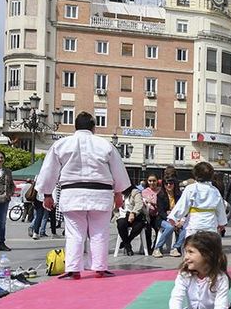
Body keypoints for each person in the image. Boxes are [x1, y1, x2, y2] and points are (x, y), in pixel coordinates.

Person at [36, 113, 130, 279]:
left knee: (74, 233)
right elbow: (118, 171)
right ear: (93, 127)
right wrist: (118, 193)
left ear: (75, 126)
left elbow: (49, 171)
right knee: (99, 232)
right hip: (100, 194)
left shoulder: (62, 144)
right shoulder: (105, 144)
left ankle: (73, 269)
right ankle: (100, 267)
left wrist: (47, 194)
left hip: (72, 194)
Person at [161, 231, 231, 309]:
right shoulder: (185, 274)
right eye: (185, 252)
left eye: (190, 252)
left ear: (207, 255)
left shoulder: (220, 278)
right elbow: (176, 298)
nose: (186, 257)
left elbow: (221, 308)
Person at [168, 162, 227, 238]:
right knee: (208, 245)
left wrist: (173, 217)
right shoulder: (215, 190)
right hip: (210, 225)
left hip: (194, 224)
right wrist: (222, 223)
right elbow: (220, 208)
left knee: (193, 244)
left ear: (195, 174)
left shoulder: (191, 188)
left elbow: (183, 205)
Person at [152, 179, 186, 258]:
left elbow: (183, 209)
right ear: (163, 185)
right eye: (166, 183)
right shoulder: (160, 195)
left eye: (171, 183)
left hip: (177, 218)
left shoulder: (179, 195)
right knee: (170, 227)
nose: (168, 185)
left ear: (174, 184)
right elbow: (161, 211)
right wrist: (170, 219)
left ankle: (175, 248)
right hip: (163, 219)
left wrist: (181, 220)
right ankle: (157, 248)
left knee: (186, 228)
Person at [115, 186, 147, 256]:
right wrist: (117, 215)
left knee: (139, 225)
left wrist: (133, 213)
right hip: (122, 216)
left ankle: (126, 242)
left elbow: (139, 204)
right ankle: (128, 247)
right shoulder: (117, 193)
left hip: (135, 215)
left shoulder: (135, 192)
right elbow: (114, 207)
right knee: (121, 224)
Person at [141, 174, 162, 254]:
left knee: (159, 229)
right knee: (147, 229)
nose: (152, 183)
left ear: (157, 181)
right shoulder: (144, 192)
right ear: (147, 181)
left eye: (154, 181)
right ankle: (148, 247)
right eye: (150, 181)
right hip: (147, 215)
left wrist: (152, 202)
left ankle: (155, 247)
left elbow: (162, 203)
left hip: (158, 215)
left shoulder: (161, 191)